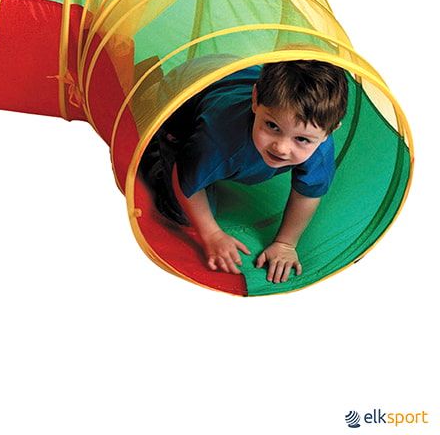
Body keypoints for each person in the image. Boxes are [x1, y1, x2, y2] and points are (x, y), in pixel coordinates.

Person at [138, 60, 348, 283]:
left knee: (212, 163)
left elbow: (307, 194)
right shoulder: (219, 138)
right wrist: (211, 234)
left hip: (232, 73)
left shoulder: (319, 145)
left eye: (302, 139)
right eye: (272, 126)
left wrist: (286, 243)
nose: (281, 148)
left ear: (329, 131)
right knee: (181, 212)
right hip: (184, 91)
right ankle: (153, 139)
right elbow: (183, 178)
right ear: (255, 100)